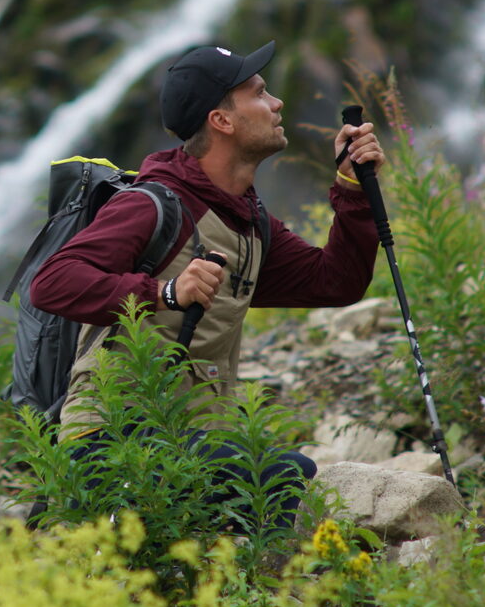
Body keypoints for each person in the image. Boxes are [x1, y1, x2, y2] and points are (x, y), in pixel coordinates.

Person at [30, 41, 384, 531]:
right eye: (260, 93)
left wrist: (351, 189)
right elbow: (51, 284)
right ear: (222, 121)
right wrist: (164, 293)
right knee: (281, 477)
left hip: (184, 443)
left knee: (273, 480)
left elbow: (334, 283)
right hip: (111, 440)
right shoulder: (151, 206)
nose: (277, 103)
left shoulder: (249, 223)